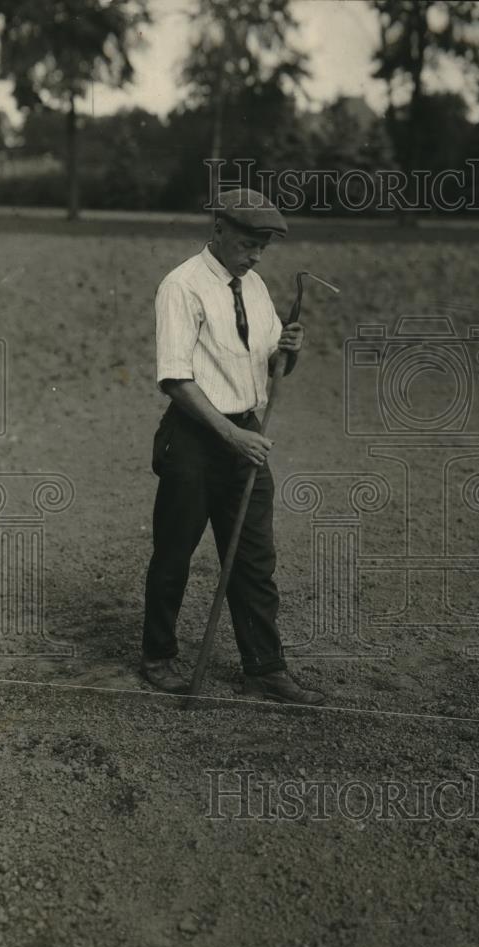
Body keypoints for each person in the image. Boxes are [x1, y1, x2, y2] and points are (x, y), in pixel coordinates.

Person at [141, 187, 324, 706]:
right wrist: (231, 436)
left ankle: (264, 668)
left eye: (263, 245)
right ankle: (158, 656)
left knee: (253, 560)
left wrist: (289, 352)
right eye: (249, 242)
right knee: (174, 555)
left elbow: (272, 366)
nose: (257, 254)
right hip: (196, 439)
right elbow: (175, 379)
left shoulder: (257, 286)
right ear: (219, 229)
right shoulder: (182, 286)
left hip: (245, 436)